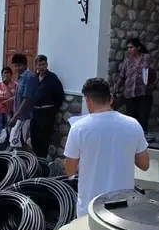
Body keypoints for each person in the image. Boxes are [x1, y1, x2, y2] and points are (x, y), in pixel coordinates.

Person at [64, 78, 150, 217]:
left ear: (88, 101)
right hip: (123, 206)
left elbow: (69, 170)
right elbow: (144, 165)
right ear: (111, 98)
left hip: (90, 208)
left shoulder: (79, 128)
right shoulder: (133, 125)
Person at [114, 37, 156, 132]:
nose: (129, 50)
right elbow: (122, 76)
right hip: (130, 94)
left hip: (144, 93)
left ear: (138, 48)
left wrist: (152, 84)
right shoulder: (127, 61)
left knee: (143, 118)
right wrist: (116, 87)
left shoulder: (146, 58)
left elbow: (154, 73)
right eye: (128, 48)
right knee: (131, 119)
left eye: (131, 47)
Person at [28, 55, 64, 160]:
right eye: (39, 65)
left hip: (46, 113)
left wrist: (53, 110)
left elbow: (60, 95)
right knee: (34, 137)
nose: (41, 67)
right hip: (35, 112)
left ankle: (42, 161)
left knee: (43, 138)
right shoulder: (34, 78)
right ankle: (37, 159)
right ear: (36, 66)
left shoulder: (52, 78)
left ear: (47, 65)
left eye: (43, 64)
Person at [8, 53, 37, 151]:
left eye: (19, 66)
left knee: (17, 143)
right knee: (15, 142)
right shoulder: (20, 77)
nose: (17, 68)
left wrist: (15, 117)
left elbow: (26, 99)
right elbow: (19, 96)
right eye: (15, 66)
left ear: (25, 65)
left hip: (24, 116)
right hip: (18, 115)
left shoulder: (29, 77)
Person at [0, 66, 16, 149]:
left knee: (9, 129)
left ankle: (8, 146)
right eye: (5, 73)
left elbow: (15, 97)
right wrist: (8, 98)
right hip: (0, 111)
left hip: (10, 111)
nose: (6, 75)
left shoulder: (15, 85)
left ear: (11, 75)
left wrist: (6, 86)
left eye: (8, 73)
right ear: (2, 75)